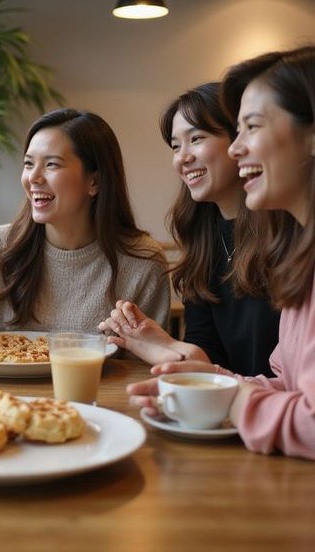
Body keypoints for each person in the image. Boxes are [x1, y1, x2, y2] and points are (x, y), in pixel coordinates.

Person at [127, 42, 315, 551]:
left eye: (251, 127)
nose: (233, 148)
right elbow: (290, 386)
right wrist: (203, 392)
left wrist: (230, 397)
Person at [99, 83, 285, 374]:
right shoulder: (203, 237)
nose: (182, 158)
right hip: (228, 408)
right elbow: (209, 358)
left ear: (240, 141)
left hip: (280, 409)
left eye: (196, 138)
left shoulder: (285, 236)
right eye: (175, 146)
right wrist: (166, 346)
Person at [0, 108, 169, 337]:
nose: (33, 178)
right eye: (29, 164)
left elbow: (147, 364)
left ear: (95, 181)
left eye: (51, 164)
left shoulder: (143, 261)